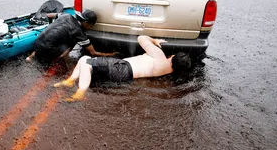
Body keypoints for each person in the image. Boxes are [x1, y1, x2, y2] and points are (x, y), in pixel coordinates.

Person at [53, 35, 192, 102]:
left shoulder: (160, 57)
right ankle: (70, 80)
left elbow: (141, 38)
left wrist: (154, 41)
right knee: (84, 59)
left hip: (122, 67)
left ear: (172, 56)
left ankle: (80, 92)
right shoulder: (168, 70)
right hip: (124, 75)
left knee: (87, 64)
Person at [26, 9, 118, 66]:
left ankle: (31, 57)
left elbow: (49, 15)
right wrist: (111, 54)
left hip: (38, 41)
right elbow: (93, 52)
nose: (90, 29)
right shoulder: (79, 33)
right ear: (85, 23)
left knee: (49, 39)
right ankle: (59, 58)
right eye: (90, 26)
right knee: (72, 43)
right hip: (48, 48)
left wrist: (51, 25)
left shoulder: (66, 15)